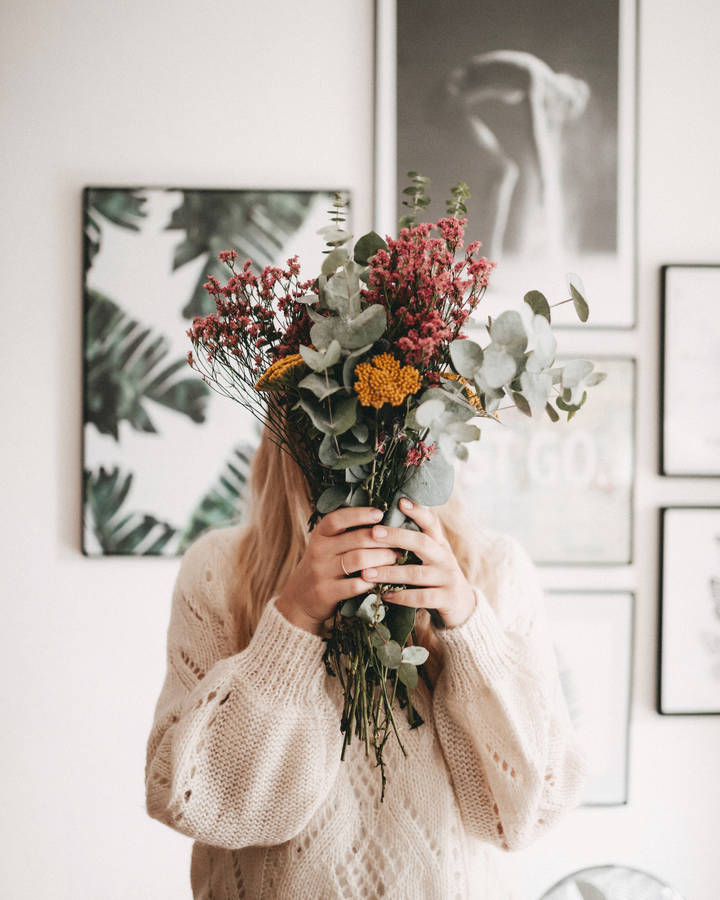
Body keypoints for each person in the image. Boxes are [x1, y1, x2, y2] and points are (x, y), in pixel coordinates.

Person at [144, 419, 591, 899]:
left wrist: (468, 625)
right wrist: (291, 623)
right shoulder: (221, 570)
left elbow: (530, 811)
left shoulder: (493, 569)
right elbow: (190, 799)